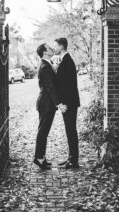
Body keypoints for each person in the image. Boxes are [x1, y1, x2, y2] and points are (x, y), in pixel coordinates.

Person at [34, 43, 67, 170]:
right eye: (49, 48)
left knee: (44, 131)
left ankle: (41, 156)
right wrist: (59, 104)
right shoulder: (45, 66)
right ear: (44, 52)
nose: (52, 48)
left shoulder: (47, 64)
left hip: (47, 104)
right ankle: (39, 158)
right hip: (46, 104)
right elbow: (50, 88)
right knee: (43, 131)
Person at [54, 38, 80, 169]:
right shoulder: (65, 60)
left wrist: (63, 104)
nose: (55, 48)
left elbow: (67, 86)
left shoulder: (67, 61)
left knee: (71, 131)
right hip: (69, 102)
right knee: (69, 130)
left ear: (61, 46)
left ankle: (73, 161)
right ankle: (71, 158)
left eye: (56, 46)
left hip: (69, 103)